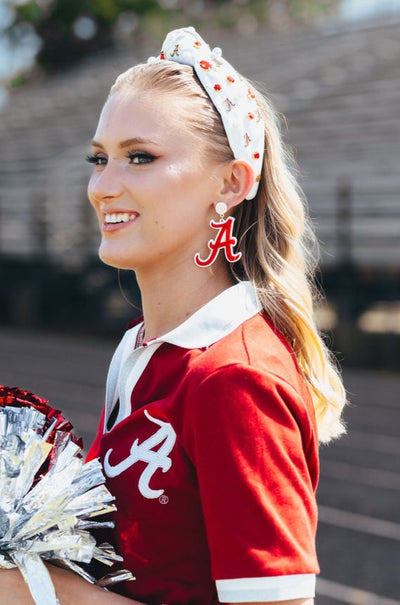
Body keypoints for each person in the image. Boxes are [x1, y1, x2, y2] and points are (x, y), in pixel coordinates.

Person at [0, 26, 346, 605]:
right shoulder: (143, 348)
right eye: (99, 158)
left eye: (141, 157)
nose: (103, 187)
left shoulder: (236, 379)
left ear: (231, 182)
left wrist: (46, 594)